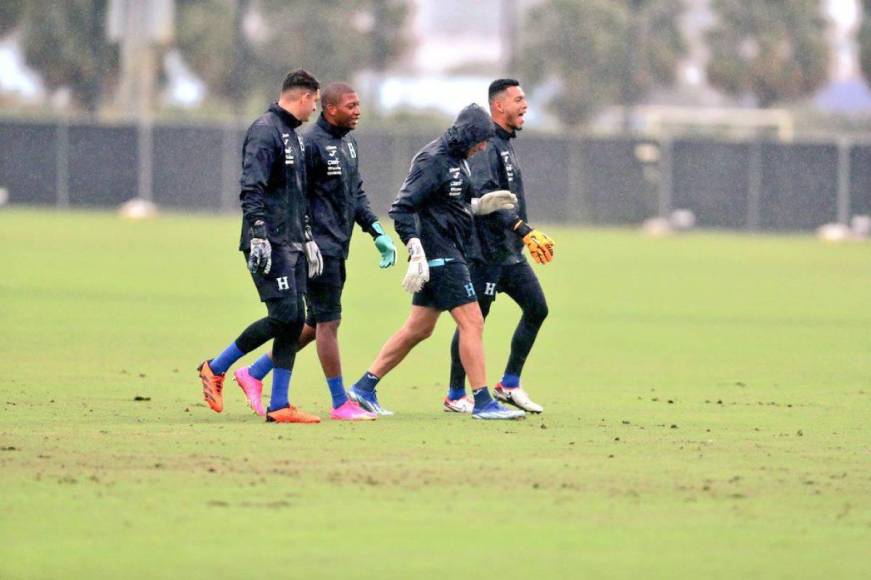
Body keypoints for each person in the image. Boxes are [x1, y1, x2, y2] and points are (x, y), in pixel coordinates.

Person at [346, 103, 526, 420]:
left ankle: (363, 387)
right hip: (440, 255)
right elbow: (402, 207)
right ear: (468, 135)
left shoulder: (459, 159)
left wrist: (480, 205)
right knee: (473, 322)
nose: (484, 146)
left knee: (418, 329)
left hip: (450, 251)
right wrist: (415, 249)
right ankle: (483, 401)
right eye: (481, 140)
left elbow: (453, 202)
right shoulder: (433, 161)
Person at [233, 82, 397, 421]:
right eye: (351, 105)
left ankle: (254, 372)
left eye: (358, 104)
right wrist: (302, 238)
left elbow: (357, 194)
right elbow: (294, 194)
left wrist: (375, 229)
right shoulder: (309, 145)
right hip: (315, 248)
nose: (358, 111)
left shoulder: (349, 144)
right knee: (328, 323)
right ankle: (340, 402)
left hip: (338, 245)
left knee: (310, 322)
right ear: (330, 108)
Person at [197, 69, 325, 424]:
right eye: (314, 101)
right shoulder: (265, 131)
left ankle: (280, 405)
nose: (314, 109)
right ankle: (215, 367)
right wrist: (257, 231)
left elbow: (298, 195)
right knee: (285, 316)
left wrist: (308, 236)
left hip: (294, 241)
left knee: (295, 320)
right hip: (269, 241)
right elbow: (251, 186)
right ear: (302, 97)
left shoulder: (295, 137)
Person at [443, 79, 554, 415]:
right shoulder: (487, 146)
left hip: (509, 252)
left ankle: (509, 383)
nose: (524, 106)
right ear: (498, 106)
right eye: (519, 99)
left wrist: (520, 236)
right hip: (483, 253)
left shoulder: (506, 143)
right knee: (473, 322)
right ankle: (454, 394)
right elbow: (486, 199)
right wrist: (523, 229)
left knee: (537, 309)